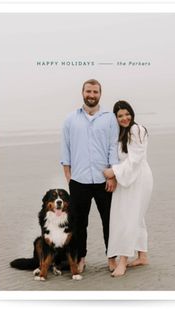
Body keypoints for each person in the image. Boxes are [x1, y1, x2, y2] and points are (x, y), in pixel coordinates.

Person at [61, 79, 119, 273]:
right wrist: (69, 177)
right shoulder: (70, 119)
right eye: (88, 91)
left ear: (100, 94)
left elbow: (113, 147)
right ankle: (81, 257)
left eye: (95, 92)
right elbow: (65, 149)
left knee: (109, 220)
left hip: (104, 180)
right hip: (79, 180)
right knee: (79, 223)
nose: (91, 95)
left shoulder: (109, 118)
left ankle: (112, 257)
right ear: (82, 92)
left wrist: (113, 175)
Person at [103, 100, 153, 277]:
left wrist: (113, 171)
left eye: (127, 114)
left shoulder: (136, 129)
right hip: (130, 177)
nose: (124, 118)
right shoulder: (123, 132)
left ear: (132, 113)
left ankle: (122, 261)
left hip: (138, 178)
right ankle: (143, 256)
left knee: (129, 217)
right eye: (120, 116)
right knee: (136, 216)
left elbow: (135, 160)